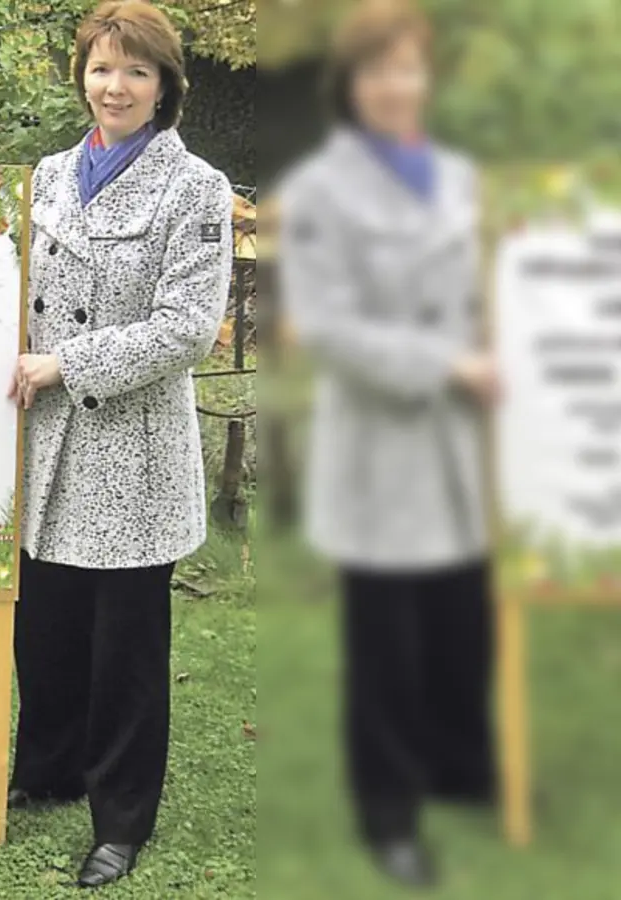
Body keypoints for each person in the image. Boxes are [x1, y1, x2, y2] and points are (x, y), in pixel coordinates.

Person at [3, 1, 234, 890]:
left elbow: (186, 329)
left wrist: (65, 363)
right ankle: (51, 770)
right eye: (103, 67)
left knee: (125, 648)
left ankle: (120, 819)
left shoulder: (197, 189)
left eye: (136, 71)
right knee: (47, 628)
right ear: (83, 75)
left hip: (130, 450)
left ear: (165, 84)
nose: (116, 86)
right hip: (46, 445)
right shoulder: (48, 174)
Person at [276, 0, 497, 887]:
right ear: (350, 86)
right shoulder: (326, 189)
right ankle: (389, 813)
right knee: (388, 644)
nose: (395, 86)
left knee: (459, 621)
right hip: (380, 441)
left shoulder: (458, 176)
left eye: (408, 68)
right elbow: (326, 326)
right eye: (377, 72)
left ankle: (459, 770)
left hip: (459, 443)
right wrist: (449, 364)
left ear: (426, 78)